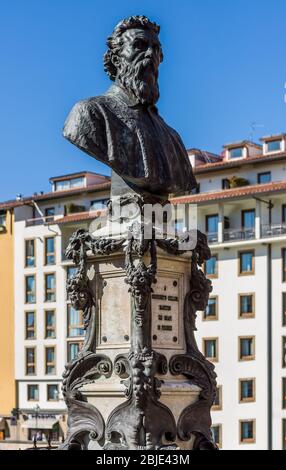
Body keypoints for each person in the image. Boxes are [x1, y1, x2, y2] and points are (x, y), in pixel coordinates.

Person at [63, 16, 197, 198]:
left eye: (156, 49)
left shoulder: (172, 137)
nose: (150, 55)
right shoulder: (90, 113)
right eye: (140, 46)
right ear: (117, 59)